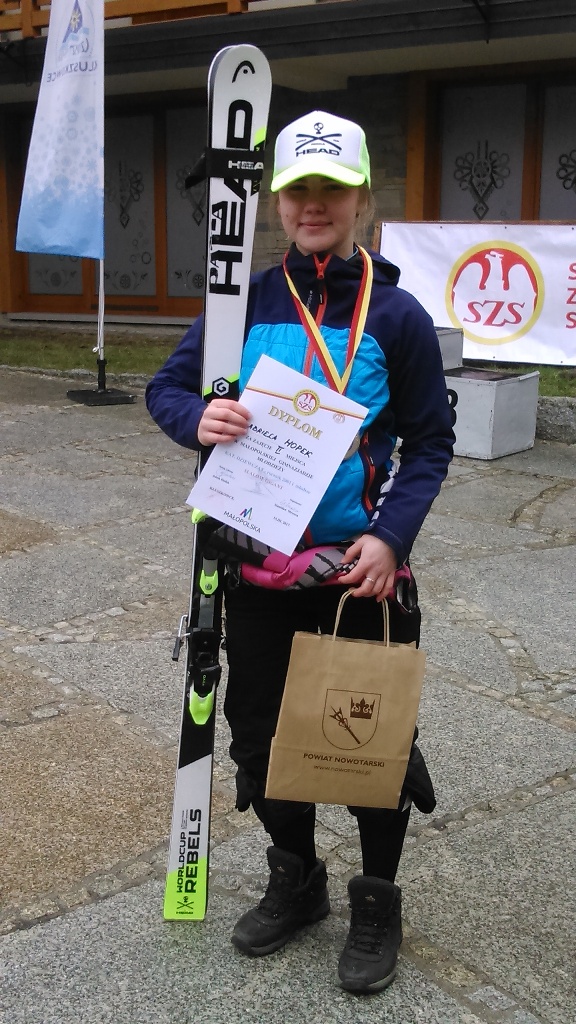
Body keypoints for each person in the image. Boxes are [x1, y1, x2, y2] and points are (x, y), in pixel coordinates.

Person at [146, 110, 454, 994]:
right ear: (277, 203)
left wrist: (390, 537)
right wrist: (196, 418)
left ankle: (376, 901)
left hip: (357, 576)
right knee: (260, 741)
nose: (313, 205)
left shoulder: (396, 315)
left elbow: (431, 442)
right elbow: (167, 388)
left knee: (370, 745)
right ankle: (298, 879)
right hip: (254, 570)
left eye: (331, 189)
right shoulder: (241, 304)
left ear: (361, 198)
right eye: (297, 191)